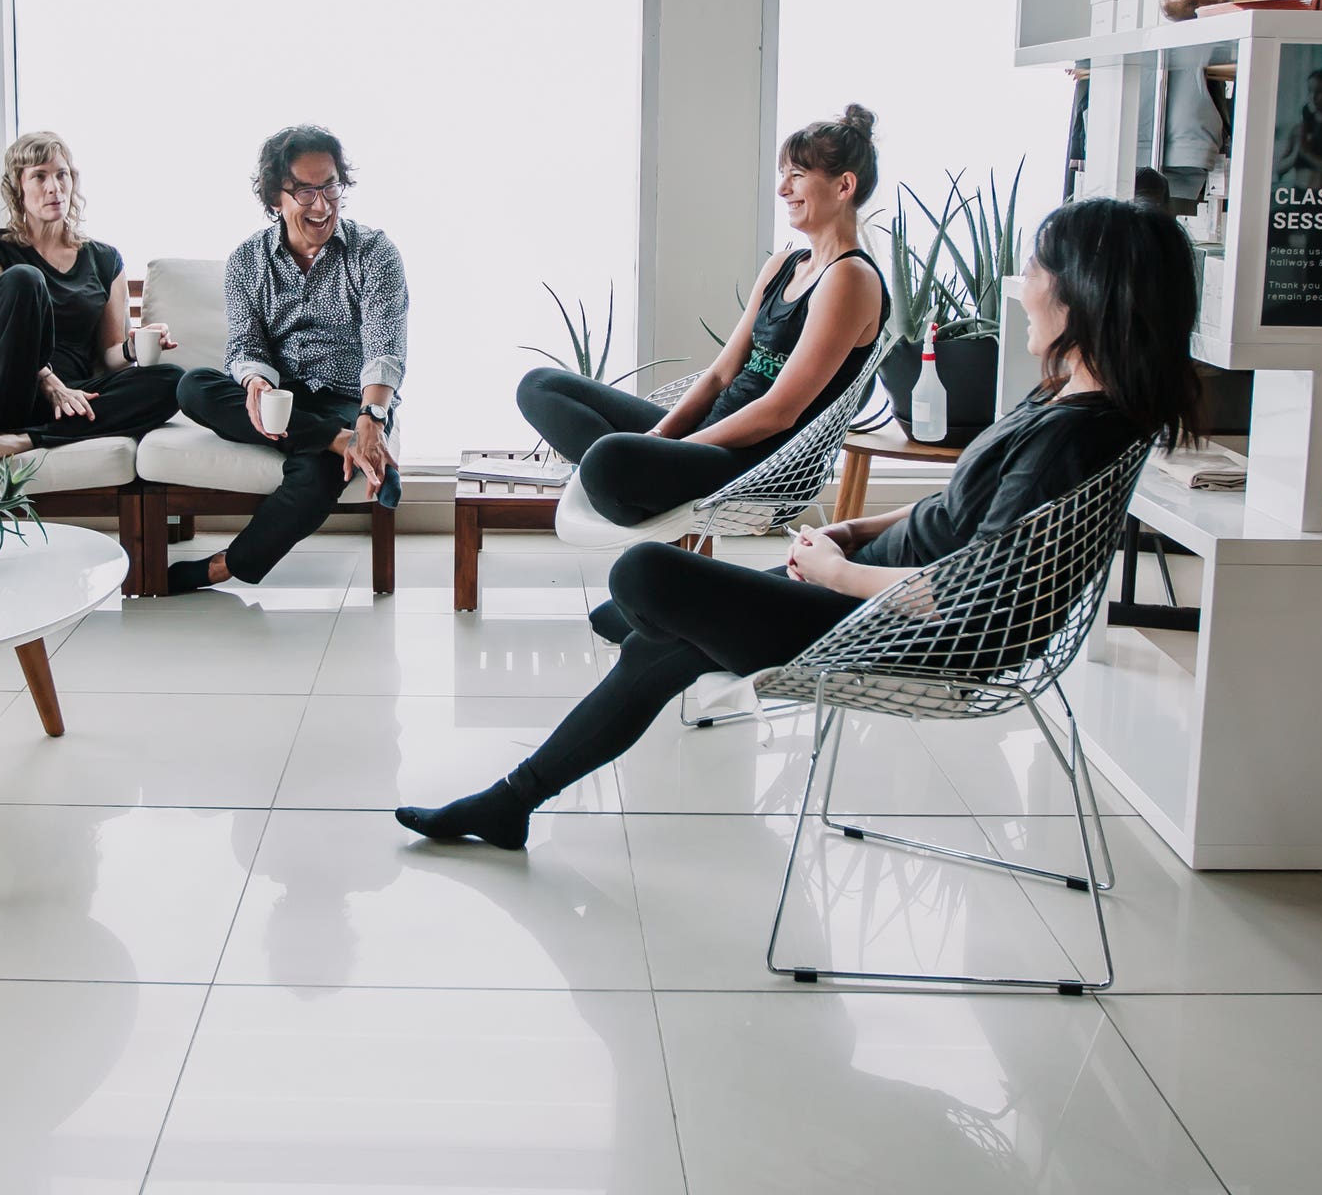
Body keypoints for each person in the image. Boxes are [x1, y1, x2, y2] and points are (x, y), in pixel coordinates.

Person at [396, 194, 1197, 850]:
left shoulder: (1075, 434)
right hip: (869, 583)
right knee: (656, 634)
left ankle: (520, 792)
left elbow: (971, 597)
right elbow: (960, 513)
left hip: (892, 624)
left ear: (1086, 294)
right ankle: (513, 802)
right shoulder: (1072, 403)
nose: (1023, 287)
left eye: (1037, 271)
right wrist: (851, 533)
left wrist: (838, 573)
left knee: (642, 578)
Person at [517, 105, 888, 543]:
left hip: (756, 461)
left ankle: (635, 480)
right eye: (783, 174)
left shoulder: (850, 279)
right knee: (539, 386)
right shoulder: (785, 264)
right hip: (710, 433)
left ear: (845, 185)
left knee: (604, 461)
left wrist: (674, 449)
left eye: (798, 176)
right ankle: (642, 482)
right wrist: (662, 435)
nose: (783, 188)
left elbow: (779, 412)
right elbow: (720, 374)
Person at [168, 125, 410, 592]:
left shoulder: (375, 252)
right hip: (281, 398)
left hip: (349, 398)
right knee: (192, 386)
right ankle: (333, 440)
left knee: (318, 474)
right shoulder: (247, 261)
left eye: (331, 187)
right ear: (275, 197)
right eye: (304, 191)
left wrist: (371, 420)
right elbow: (245, 345)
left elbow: (385, 347)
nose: (322, 205)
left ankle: (223, 567)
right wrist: (255, 383)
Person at [0, 131, 185, 473]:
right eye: (40, 176)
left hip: (61, 398)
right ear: (18, 188)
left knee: (173, 380)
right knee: (25, 278)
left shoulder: (104, 259)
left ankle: (25, 439)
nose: (54, 186)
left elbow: (110, 356)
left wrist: (130, 348)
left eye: (61, 174)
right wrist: (48, 380)